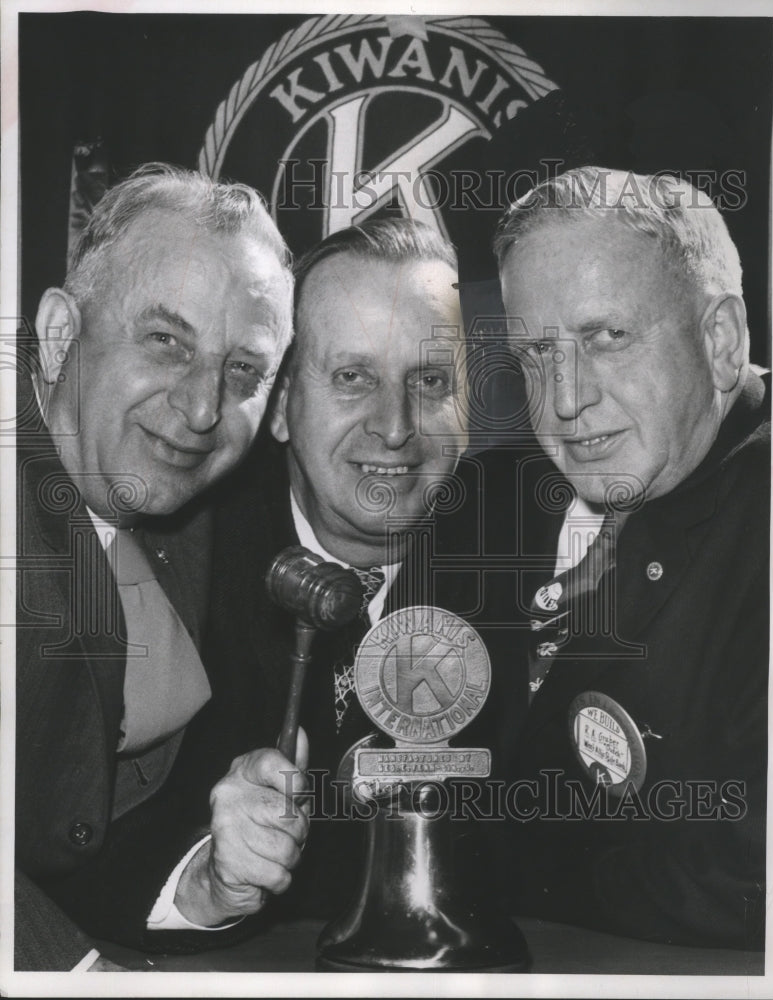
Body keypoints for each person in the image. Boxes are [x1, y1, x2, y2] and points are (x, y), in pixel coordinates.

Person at [436, 166, 769, 949]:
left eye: (606, 338)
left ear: (719, 341)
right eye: (535, 355)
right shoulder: (480, 502)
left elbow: (752, 874)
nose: (563, 400)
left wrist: (482, 861)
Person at [15, 164, 307, 970]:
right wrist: (68, 976)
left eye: (242, 370)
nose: (203, 409)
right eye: (165, 342)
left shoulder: (184, 500)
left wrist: (206, 885)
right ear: (58, 334)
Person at [204, 217, 469, 914]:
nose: (394, 426)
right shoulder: (185, 564)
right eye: (353, 377)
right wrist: (206, 874)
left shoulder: (532, 565)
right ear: (283, 403)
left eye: (430, 380)